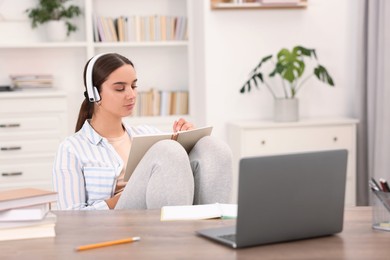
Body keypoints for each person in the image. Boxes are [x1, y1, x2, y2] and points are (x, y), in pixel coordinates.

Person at [52, 53, 232, 210]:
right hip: (113, 223)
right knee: (168, 150)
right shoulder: (72, 148)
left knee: (213, 147)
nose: (131, 95)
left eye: (133, 86)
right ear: (94, 94)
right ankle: (177, 241)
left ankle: (211, 232)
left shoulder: (147, 133)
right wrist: (123, 197)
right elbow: (71, 216)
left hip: (158, 210)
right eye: (120, 88)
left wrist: (192, 141)